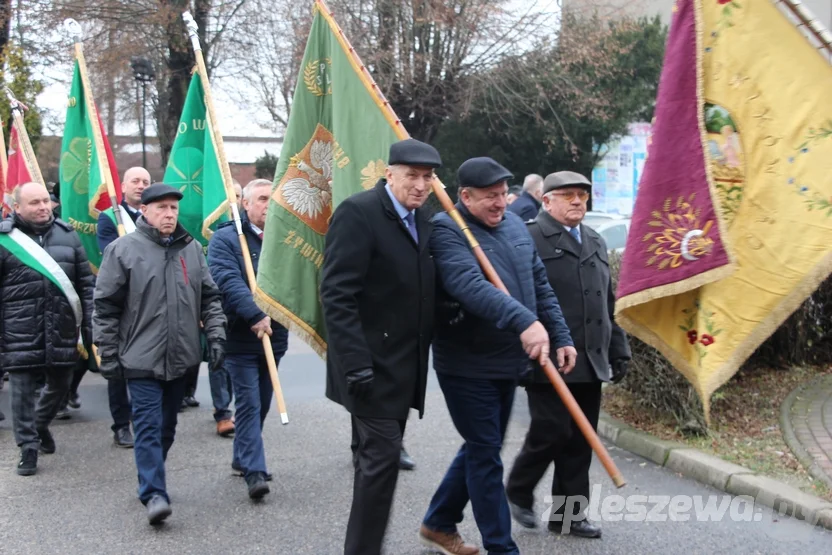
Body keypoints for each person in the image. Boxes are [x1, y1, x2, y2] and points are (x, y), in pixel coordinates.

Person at [419, 158, 576, 555]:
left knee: (480, 445)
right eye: (490, 197)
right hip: (467, 365)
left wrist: (559, 334)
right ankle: (501, 548)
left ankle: (439, 521)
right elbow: (468, 285)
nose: (500, 203)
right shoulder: (448, 231)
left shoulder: (513, 227)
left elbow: (539, 284)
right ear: (465, 196)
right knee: (486, 455)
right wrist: (524, 322)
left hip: (508, 362)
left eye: (504, 194)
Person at [321, 138, 440, 555]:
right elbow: (337, 295)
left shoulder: (424, 220)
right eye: (412, 176)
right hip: (367, 368)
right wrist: (355, 364)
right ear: (389, 174)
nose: (421, 185)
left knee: (372, 459)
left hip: (402, 368)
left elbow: (423, 290)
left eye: (428, 177)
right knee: (381, 463)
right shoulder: (359, 213)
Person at [506, 171, 631, 539]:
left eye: (582, 196)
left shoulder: (593, 238)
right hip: (546, 356)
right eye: (568, 196)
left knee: (580, 439)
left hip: (589, 357)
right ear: (546, 201)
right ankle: (518, 488)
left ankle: (569, 516)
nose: (578, 201)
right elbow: (517, 298)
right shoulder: (528, 237)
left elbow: (605, 303)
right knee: (551, 430)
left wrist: (617, 348)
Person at [93, 184, 226, 525]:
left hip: (181, 357)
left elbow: (209, 298)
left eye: (174, 209)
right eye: (162, 208)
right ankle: (153, 492)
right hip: (140, 358)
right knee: (149, 427)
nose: (169, 214)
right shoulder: (122, 250)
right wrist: (107, 353)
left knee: (167, 428)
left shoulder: (192, 249)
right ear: (146, 211)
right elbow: (106, 308)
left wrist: (215, 336)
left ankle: (152, 474)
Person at [0, 182, 94, 476]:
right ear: (17, 208)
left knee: (61, 385)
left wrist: (92, 324)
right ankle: (28, 447)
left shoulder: (68, 236)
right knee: (22, 392)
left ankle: (40, 425)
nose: (43, 207)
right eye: (34, 203)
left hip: (62, 327)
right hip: (19, 328)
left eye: (45, 201)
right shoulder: (5, 240)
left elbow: (85, 286)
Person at [208, 178, 288, 498]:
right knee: (249, 402)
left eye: (273, 200)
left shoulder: (284, 238)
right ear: (246, 203)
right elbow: (227, 280)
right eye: (263, 199)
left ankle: (241, 456)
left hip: (275, 335)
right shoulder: (226, 239)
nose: (269, 205)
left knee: (264, 401)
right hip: (240, 336)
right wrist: (253, 314)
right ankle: (255, 471)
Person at [96, 166, 152, 448]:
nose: (140, 186)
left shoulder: (154, 215)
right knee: (118, 367)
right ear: (123, 185)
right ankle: (121, 424)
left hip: (151, 301)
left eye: (145, 181)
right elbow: (110, 254)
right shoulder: (109, 218)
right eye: (135, 181)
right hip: (122, 300)